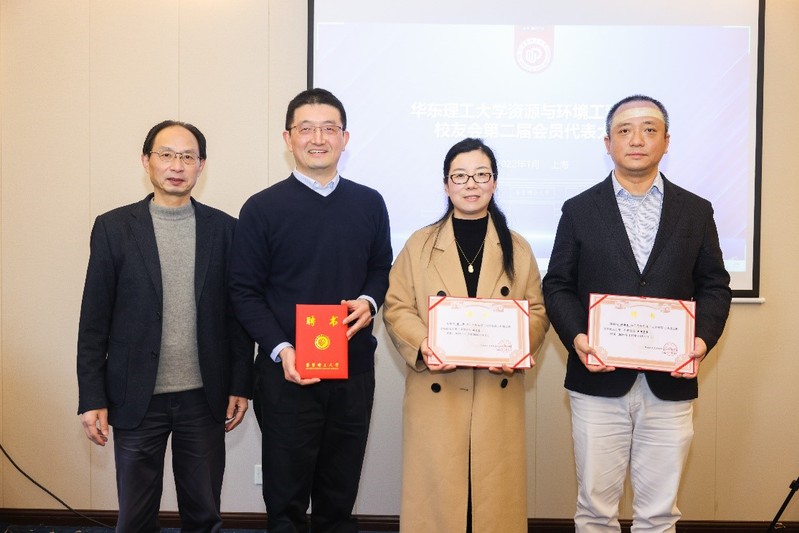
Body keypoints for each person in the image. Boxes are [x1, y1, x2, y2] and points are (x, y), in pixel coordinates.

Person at [542, 95, 732, 532]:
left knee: (660, 513)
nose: (637, 139)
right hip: (597, 381)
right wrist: (578, 339)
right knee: (595, 510)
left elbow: (714, 285)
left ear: (667, 141)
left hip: (670, 382)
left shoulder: (696, 210)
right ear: (607, 143)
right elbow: (557, 284)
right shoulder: (579, 209)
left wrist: (700, 340)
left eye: (649, 129)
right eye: (624, 130)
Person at [229, 88, 393, 533]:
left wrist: (369, 301)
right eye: (306, 128)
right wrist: (282, 349)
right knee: (285, 500)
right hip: (287, 374)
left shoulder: (370, 202)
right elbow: (244, 291)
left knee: (339, 495)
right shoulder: (261, 208)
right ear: (288, 138)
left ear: (345, 138)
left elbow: (381, 267)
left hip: (353, 371)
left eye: (328, 129)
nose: (317, 138)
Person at [76, 120, 253, 532]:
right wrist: (92, 396)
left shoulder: (226, 230)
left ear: (201, 165)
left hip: (203, 396)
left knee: (204, 514)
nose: (177, 165)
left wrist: (240, 384)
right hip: (136, 396)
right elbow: (93, 321)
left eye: (188, 156)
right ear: (146, 160)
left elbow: (237, 317)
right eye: (166, 154)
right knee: (135, 519)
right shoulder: (113, 228)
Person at [382, 138, 549, 532]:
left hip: (496, 393)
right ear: (446, 184)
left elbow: (538, 311)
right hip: (437, 392)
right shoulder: (419, 244)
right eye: (460, 176)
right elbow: (396, 305)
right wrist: (424, 343)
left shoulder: (517, 247)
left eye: (481, 175)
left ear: (495, 182)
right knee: (440, 502)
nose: (470, 184)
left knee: (491, 503)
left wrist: (518, 346)